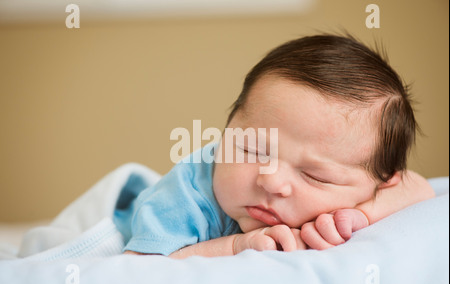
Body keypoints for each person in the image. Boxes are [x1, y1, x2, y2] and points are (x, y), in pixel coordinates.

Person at [117, 34, 435, 258]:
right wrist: (233, 247)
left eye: (315, 175)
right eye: (253, 150)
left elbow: (418, 188)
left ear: (381, 182)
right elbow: (138, 269)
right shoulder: (185, 197)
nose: (271, 180)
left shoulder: (367, 194)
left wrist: (361, 216)